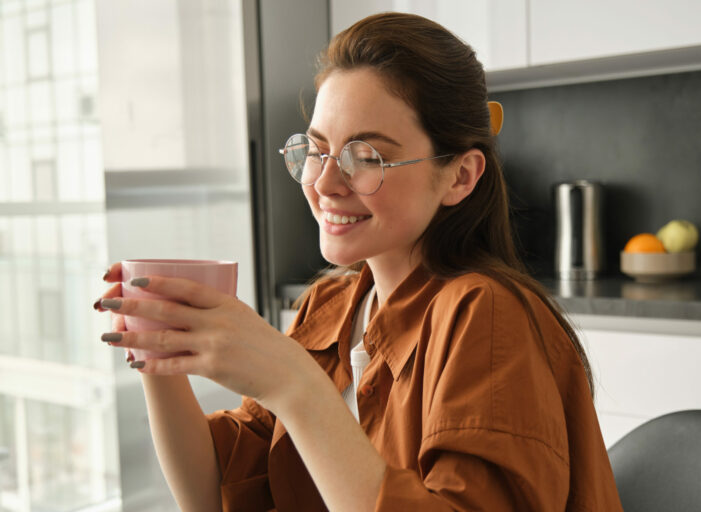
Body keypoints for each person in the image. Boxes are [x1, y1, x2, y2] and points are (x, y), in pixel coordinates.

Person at [97, 12, 622, 512]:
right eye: (318, 150)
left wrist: (294, 386)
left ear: (460, 176)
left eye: (366, 157)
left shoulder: (483, 315)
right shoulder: (333, 304)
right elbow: (213, 492)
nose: (323, 184)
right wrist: (157, 353)